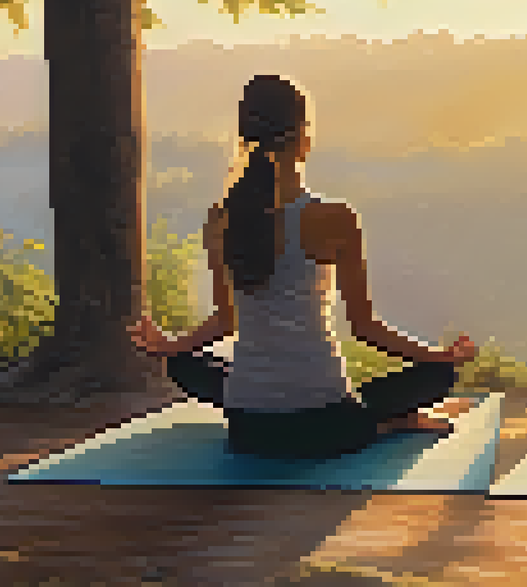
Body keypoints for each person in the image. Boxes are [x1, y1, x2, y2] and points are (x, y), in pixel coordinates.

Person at [129, 74, 479, 460]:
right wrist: (442, 357)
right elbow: (365, 329)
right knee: (437, 376)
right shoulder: (336, 218)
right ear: (303, 140)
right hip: (328, 422)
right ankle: (389, 422)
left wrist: (169, 345)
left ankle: (377, 421)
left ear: (244, 140)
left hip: (250, 426)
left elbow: (225, 323)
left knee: (182, 362)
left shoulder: (222, 219)